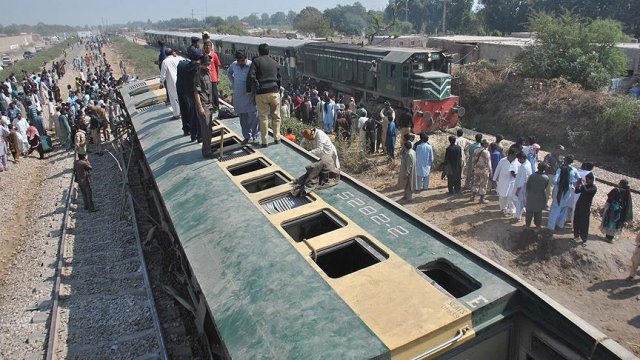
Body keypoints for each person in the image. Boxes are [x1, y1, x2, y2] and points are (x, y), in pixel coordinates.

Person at [248, 43, 282, 148]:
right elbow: (280, 78)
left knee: (263, 117)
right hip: (274, 92)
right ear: (269, 51)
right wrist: (277, 88)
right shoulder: (275, 63)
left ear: (259, 52)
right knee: (276, 116)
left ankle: (265, 141)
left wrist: (256, 84)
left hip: (261, 93)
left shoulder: (256, 61)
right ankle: (277, 138)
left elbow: (251, 75)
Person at [228, 50, 259, 145]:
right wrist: (234, 83)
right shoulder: (234, 65)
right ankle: (246, 136)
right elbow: (229, 73)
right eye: (239, 61)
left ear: (246, 58)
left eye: (242, 61)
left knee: (253, 117)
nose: (241, 63)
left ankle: (255, 136)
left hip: (249, 97)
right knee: (243, 119)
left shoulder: (251, 65)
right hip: (239, 96)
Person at [194, 55, 214, 158]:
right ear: (201, 64)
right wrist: (200, 107)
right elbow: (196, 93)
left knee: (209, 128)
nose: (208, 66)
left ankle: (209, 147)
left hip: (209, 104)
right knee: (205, 129)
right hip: (203, 105)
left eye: (209, 64)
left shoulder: (208, 73)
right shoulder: (199, 75)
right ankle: (206, 151)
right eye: (206, 64)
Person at [547, 164, 576, 230]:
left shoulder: (560, 170)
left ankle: (551, 227)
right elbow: (577, 179)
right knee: (564, 210)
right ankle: (560, 225)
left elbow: (554, 180)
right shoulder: (573, 171)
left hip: (558, 194)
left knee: (554, 210)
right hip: (567, 194)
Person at [160, 48, 185, 120]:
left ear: (165, 54)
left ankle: (177, 114)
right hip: (181, 80)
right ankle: (184, 111)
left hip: (172, 82)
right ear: (172, 52)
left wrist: (161, 83)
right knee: (182, 97)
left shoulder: (165, 62)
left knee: (174, 99)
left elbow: (163, 74)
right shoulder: (179, 58)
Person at [573, 173, 597, 246]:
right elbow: (577, 191)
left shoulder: (593, 188)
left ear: (592, 180)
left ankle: (584, 239)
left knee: (584, 223)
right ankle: (576, 235)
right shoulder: (585, 186)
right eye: (586, 179)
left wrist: (582, 185)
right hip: (579, 205)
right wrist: (577, 185)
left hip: (585, 208)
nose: (586, 181)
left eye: (587, 180)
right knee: (576, 221)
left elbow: (586, 192)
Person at [493, 148, 518, 216]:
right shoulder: (502, 161)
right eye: (514, 156)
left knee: (511, 197)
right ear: (510, 155)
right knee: (502, 196)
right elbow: (497, 170)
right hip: (503, 182)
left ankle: (512, 210)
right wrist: (494, 180)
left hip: (512, 182)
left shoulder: (516, 162)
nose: (515, 157)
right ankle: (503, 209)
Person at [526, 162, 549, 228]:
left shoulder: (532, 176)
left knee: (529, 212)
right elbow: (545, 187)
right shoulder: (546, 178)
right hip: (540, 196)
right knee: (538, 212)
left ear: (538, 168)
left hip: (531, 196)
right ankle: (538, 226)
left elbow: (528, 186)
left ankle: (527, 225)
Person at [513, 151, 532, 220]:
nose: (518, 160)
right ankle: (522, 211)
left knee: (519, 201)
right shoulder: (528, 163)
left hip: (522, 187)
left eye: (519, 159)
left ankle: (518, 216)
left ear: (522, 158)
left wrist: (517, 190)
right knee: (521, 201)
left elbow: (522, 180)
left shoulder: (524, 167)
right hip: (524, 185)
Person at [203, 40, 222, 108]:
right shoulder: (202, 55)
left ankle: (216, 107)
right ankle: (209, 106)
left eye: (209, 45)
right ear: (204, 46)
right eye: (206, 45)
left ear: (211, 47)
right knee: (207, 93)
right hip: (204, 77)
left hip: (213, 77)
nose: (208, 47)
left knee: (214, 93)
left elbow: (217, 66)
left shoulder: (214, 55)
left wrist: (218, 76)